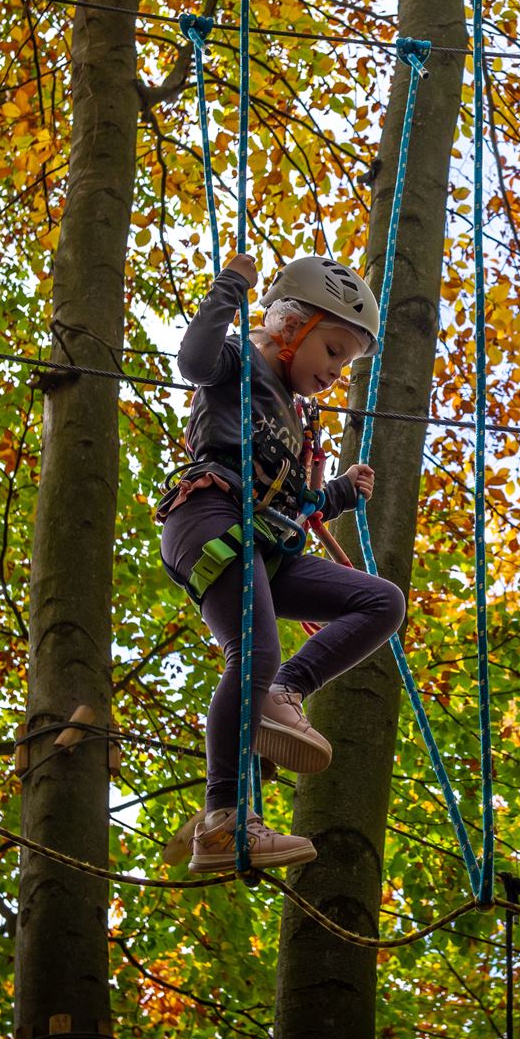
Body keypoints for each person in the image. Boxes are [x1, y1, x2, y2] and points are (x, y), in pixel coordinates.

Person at [155, 253, 406, 873]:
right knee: (255, 651)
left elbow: (294, 502)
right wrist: (230, 289)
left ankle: (284, 691)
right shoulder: (237, 362)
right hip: (211, 519)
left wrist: (339, 492)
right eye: (331, 349)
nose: (333, 372)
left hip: (265, 540)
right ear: (290, 326)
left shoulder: (295, 418)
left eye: (345, 363)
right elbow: (193, 361)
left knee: (381, 601)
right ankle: (223, 821)